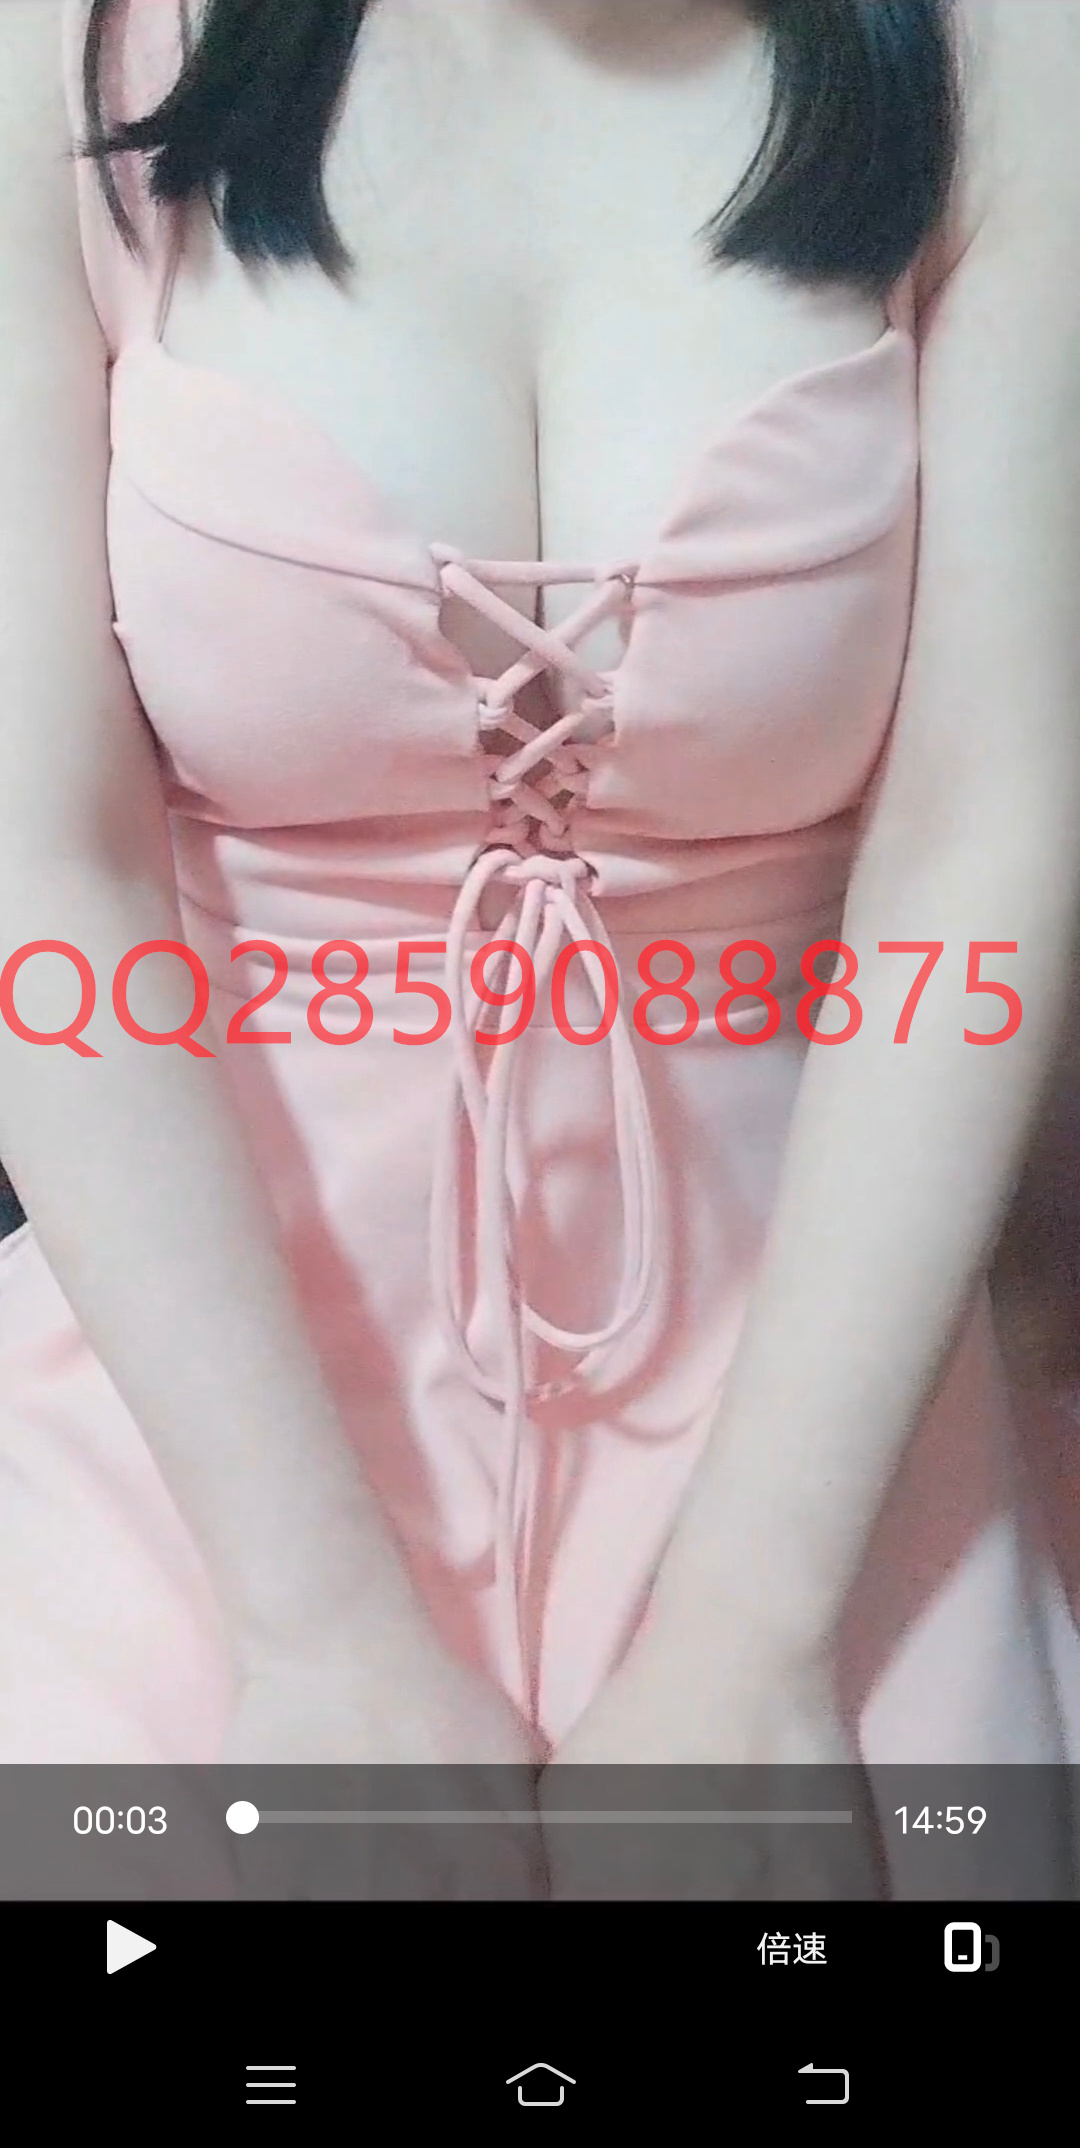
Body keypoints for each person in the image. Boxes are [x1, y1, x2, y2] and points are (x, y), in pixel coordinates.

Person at [1, 0, 1079, 1894]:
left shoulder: (1015, 60)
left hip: (814, 1382)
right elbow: (48, 863)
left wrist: (753, 1638)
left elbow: (976, 842)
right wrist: (314, 1631)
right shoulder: (60, 56)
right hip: (205, 1377)